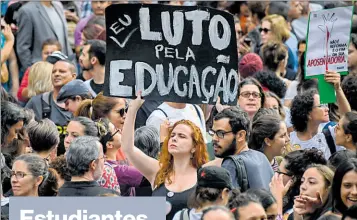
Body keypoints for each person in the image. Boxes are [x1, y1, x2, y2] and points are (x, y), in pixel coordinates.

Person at [121, 92, 209, 220]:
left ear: (195, 146)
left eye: (181, 136)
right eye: (172, 135)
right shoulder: (158, 170)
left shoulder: (204, 174)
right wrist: (133, 109)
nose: (174, 139)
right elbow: (128, 148)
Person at [210, 107, 273, 192]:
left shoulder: (231, 163)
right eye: (213, 132)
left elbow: (226, 203)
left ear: (240, 135)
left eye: (221, 133)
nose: (214, 138)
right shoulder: (262, 157)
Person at [25, 59, 77, 155]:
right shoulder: (37, 102)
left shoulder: (81, 102)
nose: (56, 74)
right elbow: (22, 130)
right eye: (54, 71)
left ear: (73, 76)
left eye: (62, 71)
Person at [16, 1, 72, 71]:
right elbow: (23, 46)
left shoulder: (58, 6)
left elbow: (64, 39)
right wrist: (32, 71)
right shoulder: (27, 10)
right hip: (41, 70)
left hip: (63, 68)